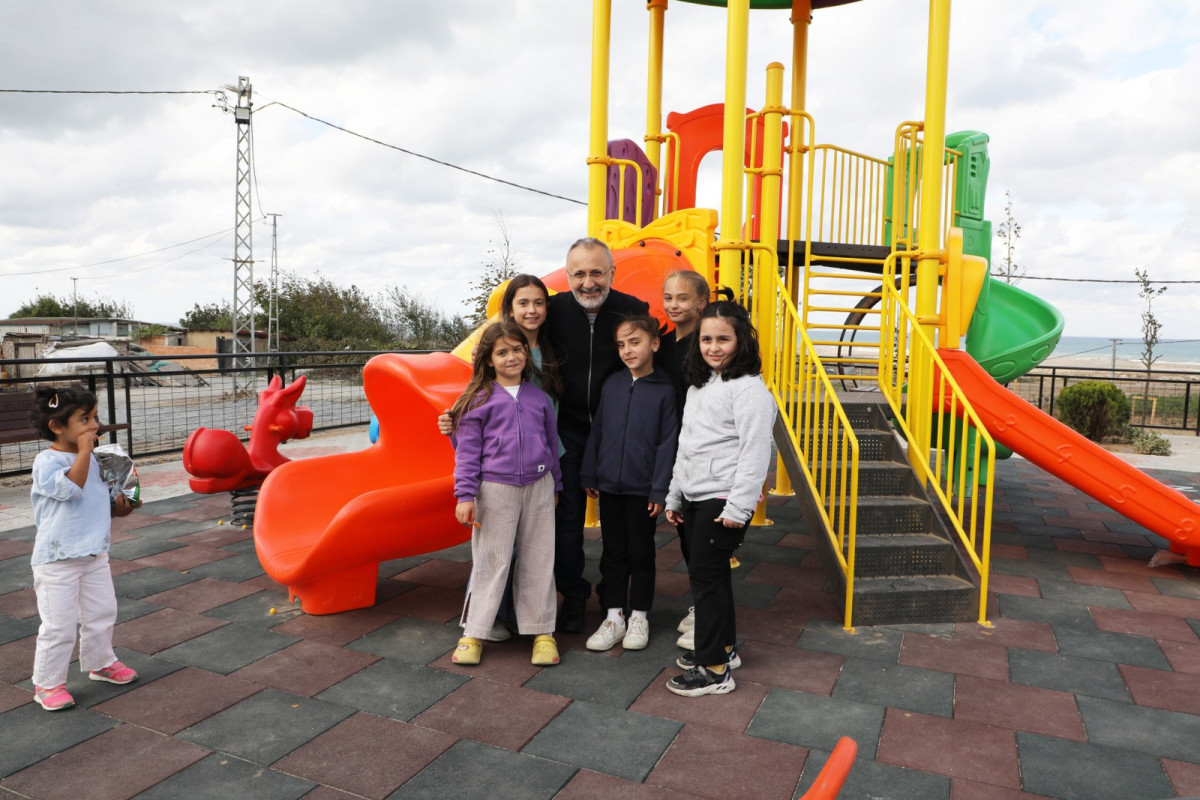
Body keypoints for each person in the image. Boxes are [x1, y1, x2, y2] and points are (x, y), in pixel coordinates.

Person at [664, 302, 776, 697]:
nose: (713, 347)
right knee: (712, 576)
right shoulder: (700, 385)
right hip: (696, 493)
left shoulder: (749, 390)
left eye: (723, 339)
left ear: (741, 341)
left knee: (706, 581)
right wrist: (675, 494)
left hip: (724, 497)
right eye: (706, 339)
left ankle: (714, 671)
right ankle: (724, 649)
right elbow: (687, 445)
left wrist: (739, 508)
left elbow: (755, 453)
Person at [544, 237, 650, 632]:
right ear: (568, 275)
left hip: (617, 432)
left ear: (612, 273)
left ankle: (613, 592)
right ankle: (573, 593)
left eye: (596, 273)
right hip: (568, 430)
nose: (588, 282)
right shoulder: (552, 310)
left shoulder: (633, 310)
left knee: (620, 521)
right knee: (567, 519)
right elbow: (508, 344)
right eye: (579, 274)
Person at [449, 320, 562, 667]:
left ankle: (542, 633)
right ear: (488, 360)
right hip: (495, 490)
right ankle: (473, 633)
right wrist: (465, 495)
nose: (511, 357)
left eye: (517, 349)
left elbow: (551, 444)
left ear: (526, 352)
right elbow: (467, 453)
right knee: (491, 561)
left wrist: (556, 485)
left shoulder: (539, 398)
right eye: (502, 352)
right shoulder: (477, 401)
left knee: (539, 560)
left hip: (539, 487)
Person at [28, 386, 141, 711]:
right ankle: (48, 683)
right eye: (85, 419)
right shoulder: (46, 461)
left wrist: (123, 505)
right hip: (57, 560)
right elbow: (70, 489)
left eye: (95, 417)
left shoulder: (101, 459)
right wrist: (83, 452)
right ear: (57, 427)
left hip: (94, 554)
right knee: (59, 626)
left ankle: (100, 662)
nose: (95, 425)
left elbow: (105, 503)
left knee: (102, 613)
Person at [580, 314, 678, 651]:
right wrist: (590, 472)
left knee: (641, 553)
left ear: (655, 344)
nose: (627, 350)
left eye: (634, 342)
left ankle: (639, 616)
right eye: (621, 345)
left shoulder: (666, 390)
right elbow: (598, 431)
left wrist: (659, 489)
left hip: (643, 489)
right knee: (613, 552)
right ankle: (614, 616)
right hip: (609, 485)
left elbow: (667, 443)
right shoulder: (612, 385)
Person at [656, 270, 711, 648]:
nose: (673, 305)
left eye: (682, 298)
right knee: (682, 528)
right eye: (668, 297)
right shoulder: (660, 344)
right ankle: (702, 601)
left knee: (699, 535)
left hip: (698, 450)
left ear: (701, 303)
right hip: (668, 447)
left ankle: (706, 607)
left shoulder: (707, 344)